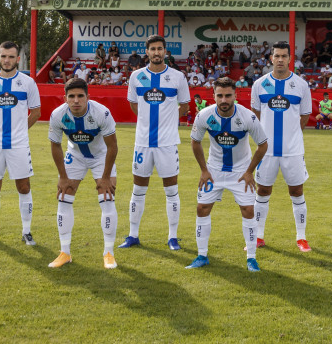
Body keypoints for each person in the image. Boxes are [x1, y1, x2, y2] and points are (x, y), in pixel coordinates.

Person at [188, 77, 268, 271]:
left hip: (241, 172)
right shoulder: (204, 115)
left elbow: (263, 144)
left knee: (248, 210)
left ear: (235, 95)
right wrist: (204, 170)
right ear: (214, 96)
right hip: (213, 170)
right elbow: (195, 141)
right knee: (202, 208)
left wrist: (250, 171)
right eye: (220, 96)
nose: (224, 100)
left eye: (228, 96)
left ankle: (251, 258)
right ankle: (202, 255)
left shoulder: (248, 117)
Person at [121, 35, 190, 250]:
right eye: (153, 49)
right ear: (147, 52)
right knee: (138, 190)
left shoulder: (178, 77)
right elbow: (134, 104)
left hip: (167, 143)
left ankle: (172, 237)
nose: (157, 52)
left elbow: (185, 107)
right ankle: (133, 235)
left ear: (165, 51)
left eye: (160, 48)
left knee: (171, 190)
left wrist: (167, 119)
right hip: (142, 142)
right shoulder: (136, 76)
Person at [47, 78, 119, 269]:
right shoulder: (57, 115)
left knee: (107, 197)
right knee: (63, 197)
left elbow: (112, 146)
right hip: (75, 155)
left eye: (80, 96)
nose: (76, 100)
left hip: (101, 155)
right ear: (65, 98)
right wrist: (62, 177)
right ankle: (65, 253)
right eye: (71, 96)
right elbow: (55, 145)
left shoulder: (101, 113)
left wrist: (104, 177)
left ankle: (109, 252)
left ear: (88, 97)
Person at [249, 42, 314, 251]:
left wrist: (291, 135)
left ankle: (301, 237)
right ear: (271, 58)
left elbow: (304, 116)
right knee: (263, 191)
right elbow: (256, 116)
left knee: (296, 191)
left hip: (293, 150)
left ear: (289, 59)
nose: (280, 60)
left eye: (284, 56)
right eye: (276, 56)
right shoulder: (259, 84)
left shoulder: (301, 85)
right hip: (266, 151)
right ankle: (258, 236)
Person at [0, 41, 42, 246]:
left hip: (19, 145)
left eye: (11, 57)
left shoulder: (28, 82)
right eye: (3, 56)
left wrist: (20, 131)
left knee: (23, 186)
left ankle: (26, 231)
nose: (7, 60)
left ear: (18, 59)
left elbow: (36, 112)